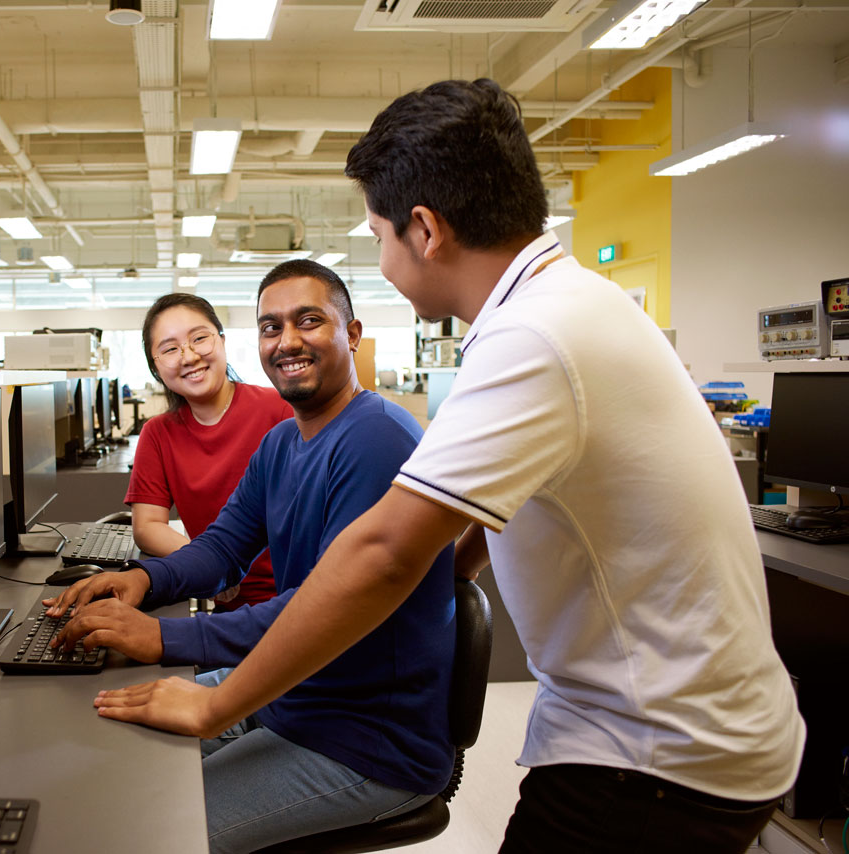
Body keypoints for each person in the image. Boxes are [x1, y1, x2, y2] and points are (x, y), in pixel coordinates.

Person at [91, 79, 805, 854]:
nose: (382, 255)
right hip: (665, 731)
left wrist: (210, 701)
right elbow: (474, 523)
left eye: (378, 235)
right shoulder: (562, 310)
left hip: (660, 755)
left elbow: (385, 553)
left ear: (424, 229)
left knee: (146, 828)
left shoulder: (531, 337)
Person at [47, 259, 458, 854]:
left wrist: (165, 641)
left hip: (365, 740)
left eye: (309, 321)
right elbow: (222, 548)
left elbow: (319, 609)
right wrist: (143, 580)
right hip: (293, 695)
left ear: (353, 334)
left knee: (150, 829)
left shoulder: (377, 439)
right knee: (114, 760)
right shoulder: (284, 440)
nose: (287, 341)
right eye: (271, 327)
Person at [126, 293, 292, 609]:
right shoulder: (158, 434)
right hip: (226, 605)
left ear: (222, 341)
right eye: (170, 349)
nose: (188, 356)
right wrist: (208, 565)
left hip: (294, 599)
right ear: (156, 367)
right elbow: (147, 526)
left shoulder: (281, 410)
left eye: (199, 339)